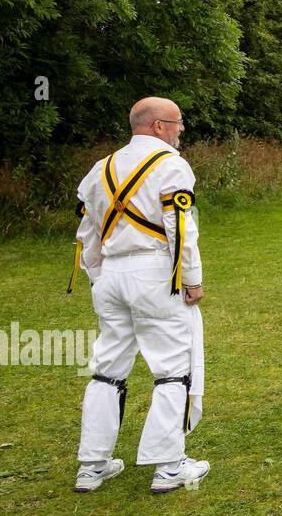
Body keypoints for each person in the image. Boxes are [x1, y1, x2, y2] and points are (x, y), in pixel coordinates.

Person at [69, 97, 208, 494]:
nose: (182, 129)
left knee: (106, 369)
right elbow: (180, 227)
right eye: (178, 123)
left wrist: (99, 276)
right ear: (160, 126)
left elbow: (87, 234)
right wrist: (191, 278)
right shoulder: (171, 165)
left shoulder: (99, 169)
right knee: (172, 368)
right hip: (156, 274)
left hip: (111, 275)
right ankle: (169, 467)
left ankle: (92, 466)